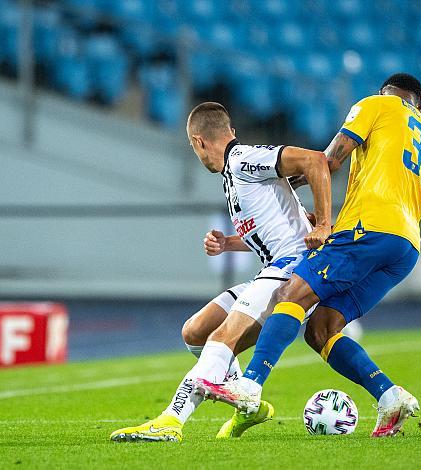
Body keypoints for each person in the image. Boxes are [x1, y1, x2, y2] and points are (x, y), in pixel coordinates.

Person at [196, 73, 421, 437]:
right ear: (418, 104)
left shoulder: (377, 104)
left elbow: (329, 160)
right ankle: (390, 396)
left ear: (387, 94)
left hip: (369, 228)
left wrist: (274, 185)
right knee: (322, 327)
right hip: (405, 246)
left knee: (291, 292)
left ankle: (249, 385)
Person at [110, 102, 331, 443]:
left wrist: (326, 224)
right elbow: (274, 228)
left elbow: (315, 160)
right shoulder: (236, 170)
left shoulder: (243, 158)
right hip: (273, 268)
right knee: (196, 332)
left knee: (221, 338)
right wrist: (230, 243)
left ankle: (170, 421)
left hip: (293, 270)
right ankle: (248, 407)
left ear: (199, 142)